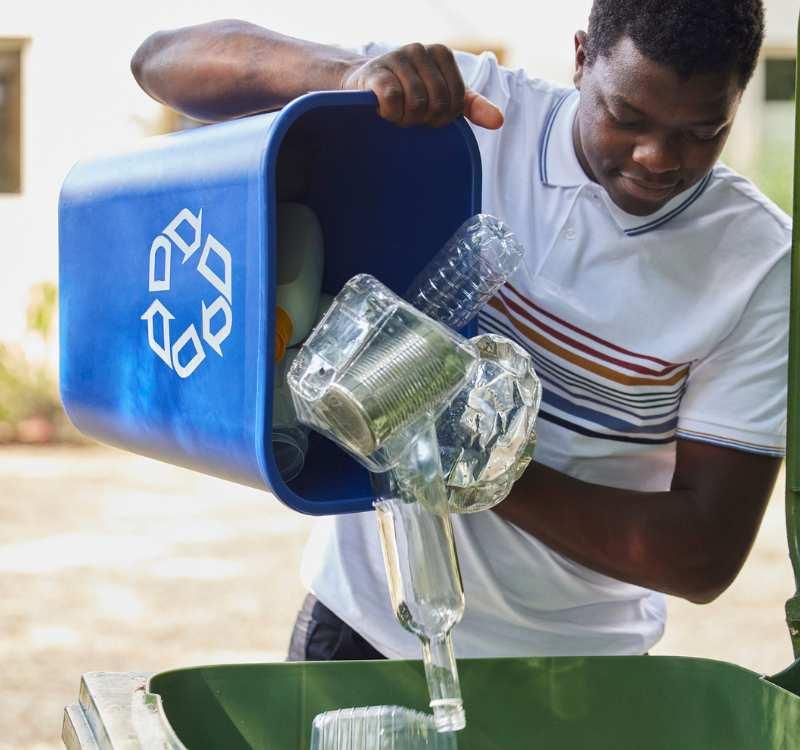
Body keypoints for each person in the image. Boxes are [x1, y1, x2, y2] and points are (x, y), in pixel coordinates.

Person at [131, 0, 790, 660]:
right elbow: (161, 62)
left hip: (582, 668)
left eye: (703, 131)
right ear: (583, 56)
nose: (657, 157)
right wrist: (348, 76)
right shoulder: (464, 112)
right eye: (627, 117)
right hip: (367, 628)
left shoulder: (757, 262)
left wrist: (482, 466)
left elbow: (701, 556)